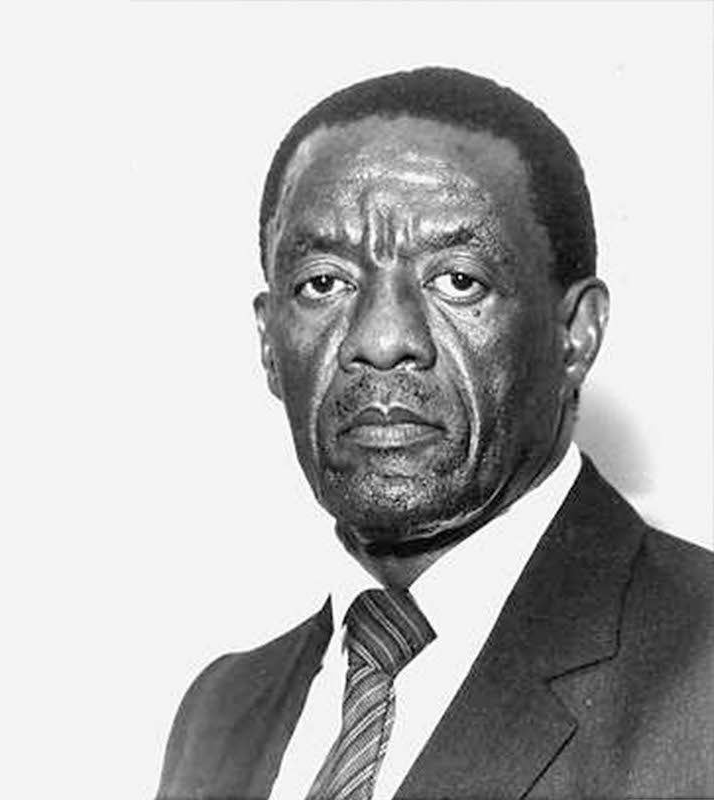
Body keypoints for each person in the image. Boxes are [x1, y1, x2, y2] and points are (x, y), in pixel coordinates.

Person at [155, 67, 714, 800]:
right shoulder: (222, 711)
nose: (382, 340)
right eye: (324, 282)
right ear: (268, 342)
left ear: (576, 334)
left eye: (458, 280)